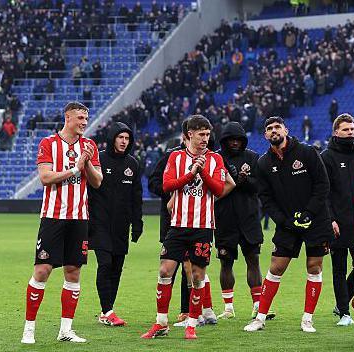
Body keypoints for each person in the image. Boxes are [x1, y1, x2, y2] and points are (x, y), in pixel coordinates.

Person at [141, 114, 232, 340]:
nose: (205, 139)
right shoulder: (175, 157)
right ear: (189, 134)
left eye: (208, 134)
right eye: (201, 134)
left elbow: (219, 189)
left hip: (202, 227)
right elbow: (167, 185)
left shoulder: (215, 160)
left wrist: (202, 172)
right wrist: (191, 173)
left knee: (197, 276)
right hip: (178, 226)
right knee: (165, 270)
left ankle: (191, 323)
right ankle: (161, 322)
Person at [21, 102, 103, 344]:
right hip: (53, 218)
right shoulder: (48, 144)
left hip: (79, 218)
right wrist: (74, 170)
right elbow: (45, 178)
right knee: (42, 270)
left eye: (86, 119)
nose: (84, 123)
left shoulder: (90, 146)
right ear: (68, 118)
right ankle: (29, 329)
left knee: (73, 272)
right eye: (80, 118)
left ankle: (66, 330)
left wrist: (86, 163)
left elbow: (97, 182)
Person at [245, 116, 332, 333]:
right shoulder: (263, 163)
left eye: (277, 127)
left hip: (316, 220)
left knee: (314, 266)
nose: (274, 131)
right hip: (286, 224)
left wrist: (309, 213)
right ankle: (260, 318)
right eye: (269, 129)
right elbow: (265, 198)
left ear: (286, 129)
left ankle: (307, 319)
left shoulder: (307, 152)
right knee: (276, 266)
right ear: (265, 135)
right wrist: (284, 221)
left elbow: (322, 184)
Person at [88, 122, 143, 326]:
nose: (123, 141)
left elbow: (136, 198)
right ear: (112, 138)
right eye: (120, 137)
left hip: (121, 225)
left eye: (127, 138)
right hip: (99, 223)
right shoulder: (99, 159)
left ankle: (107, 311)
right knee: (105, 263)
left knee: (117, 267)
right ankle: (107, 310)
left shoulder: (133, 164)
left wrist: (137, 223)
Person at [321, 114, 354, 326]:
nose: (350, 132)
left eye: (352, 129)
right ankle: (344, 312)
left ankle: (345, 301)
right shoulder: (326, 157)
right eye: (345, 130)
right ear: (336, 132)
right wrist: (330, 219)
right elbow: (324, 192)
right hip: (339, 223)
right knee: (339, 267)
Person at [213, 122, 266, 319]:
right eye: (230, 139)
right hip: (224, 219)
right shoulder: (216, 158)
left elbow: (259, 186)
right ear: (224, 140)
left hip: (249, 219)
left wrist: (244, 181)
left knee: (253, 260)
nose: (235, 142)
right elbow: (214, 188)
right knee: (226, 262)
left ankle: (258, 305)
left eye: (238, 139)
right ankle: (228, 308)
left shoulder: (252, 158)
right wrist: (233, 182)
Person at [148, 135, 193, 327]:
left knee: (190, 266)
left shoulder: (204, 157)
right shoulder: (170, 156)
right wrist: (173, 193)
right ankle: (163, 313)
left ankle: (187, 311)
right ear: (185, 137)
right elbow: (154, 183)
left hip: (193, 220)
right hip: (171, 221)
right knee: (170, 267)